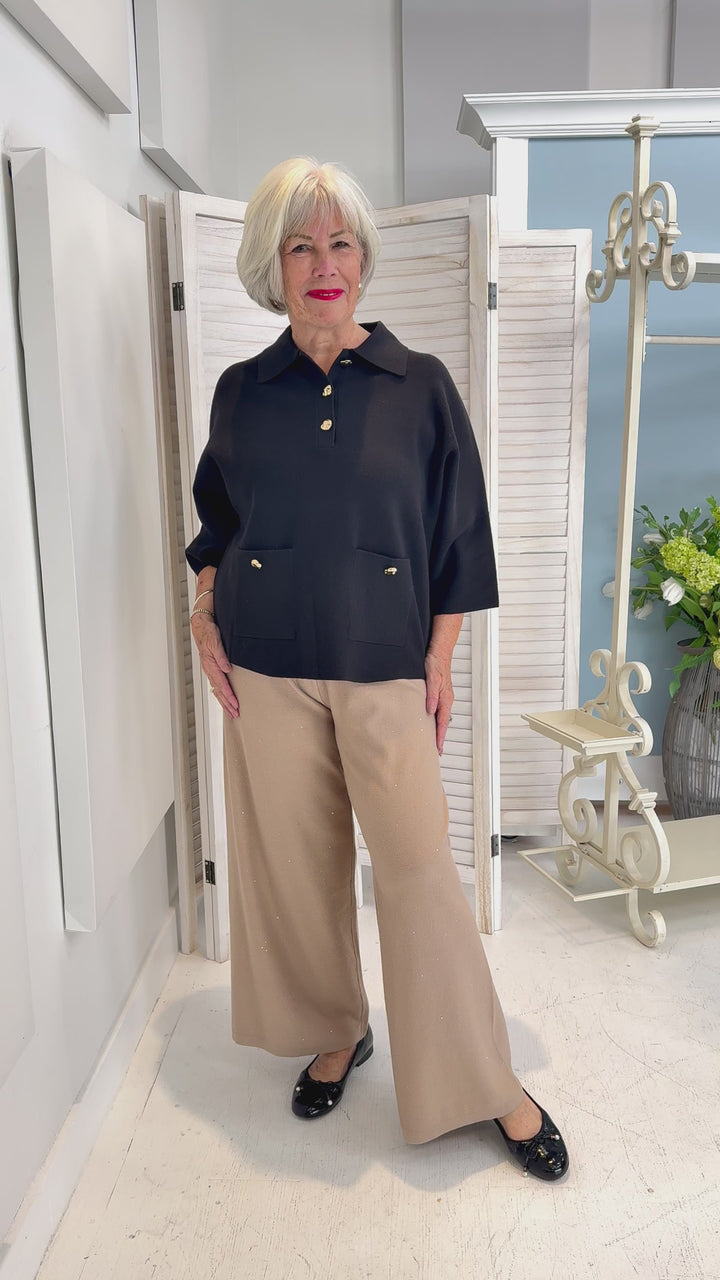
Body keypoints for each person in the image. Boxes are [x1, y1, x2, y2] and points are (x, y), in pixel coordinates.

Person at [185, 156, 569, 1182]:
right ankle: (336, 1029)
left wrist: (437, 658)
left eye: (340, 242)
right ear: (271, 265)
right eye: (300, 246)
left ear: (363, 258)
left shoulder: (420, 384)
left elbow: (460, 534)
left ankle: (486, 1081)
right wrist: (203, 614)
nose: (324, 264)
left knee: (417, 870)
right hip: (265, 668)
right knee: (294, 866)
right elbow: (217, 526)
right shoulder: (241, 392)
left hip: (382, 664)